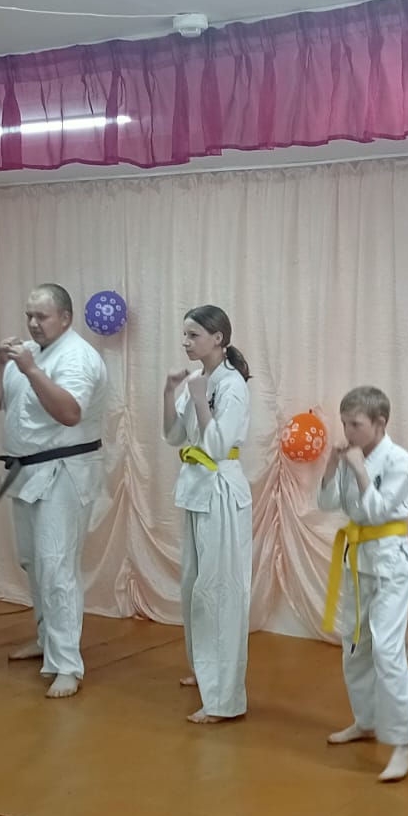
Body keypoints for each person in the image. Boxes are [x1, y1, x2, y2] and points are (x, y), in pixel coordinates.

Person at [0, 284, 108, 699]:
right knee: (34, 562)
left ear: (65, 318)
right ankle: (47, 640)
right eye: (29, 315)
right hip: (26, 471)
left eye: (42, 316)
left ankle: (67, 664)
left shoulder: (78, 356)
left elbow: (69, 413)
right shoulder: (25, 354)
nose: (33, 323)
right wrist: (0, 364)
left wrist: (32, 370)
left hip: (65, 471)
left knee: (57, 566)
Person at [318, 386, 408, 782]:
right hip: (356, 560)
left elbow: (376, 513)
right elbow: (328, 504)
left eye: (356, 424)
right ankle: (366, 720)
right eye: (344, 423)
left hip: (391, 564)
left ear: (380, 423)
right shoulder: (351, 456)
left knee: (387, 651)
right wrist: (333, 466)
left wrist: (360, 470)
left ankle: (402, 743)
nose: (348, 431)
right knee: (355, 645)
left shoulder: (400, 462)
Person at [162, 305, 253, 724]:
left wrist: (200, 400)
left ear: (218, 338)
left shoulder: (232, 385)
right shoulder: (199, 379)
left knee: (219, 594)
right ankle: (205, 671)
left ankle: (223, 700)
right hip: (197, 490)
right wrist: (171, 394)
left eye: (193, 335)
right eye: (184, 334)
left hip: (221, 491)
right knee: (193, 589)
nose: (186, 342)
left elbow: (217, 446)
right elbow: (173, 436)